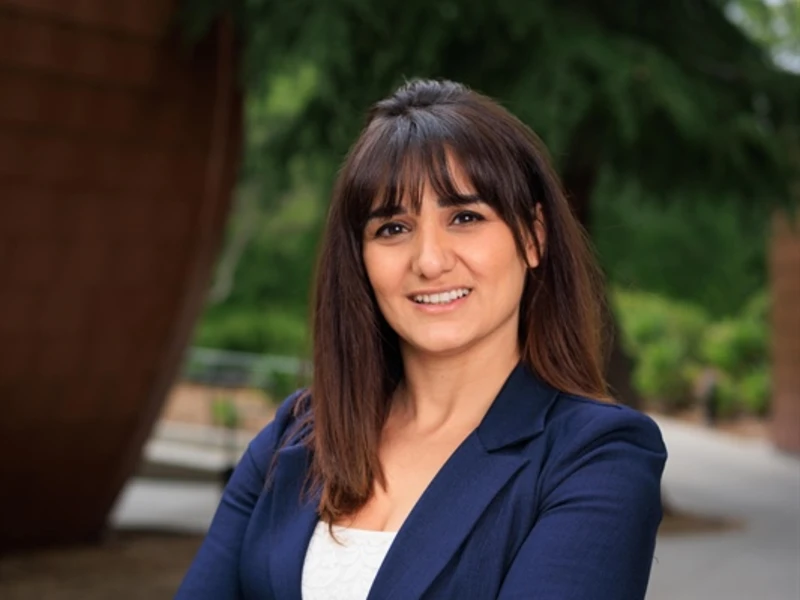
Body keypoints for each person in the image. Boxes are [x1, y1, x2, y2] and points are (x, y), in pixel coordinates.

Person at [176, 79, 667, 600]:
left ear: (532, 236)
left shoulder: (596, 457)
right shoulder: (296, 437)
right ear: (361, 259)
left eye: (465, 217)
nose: (429, 261)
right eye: (392, 228)